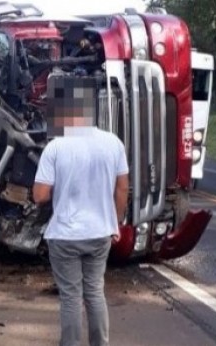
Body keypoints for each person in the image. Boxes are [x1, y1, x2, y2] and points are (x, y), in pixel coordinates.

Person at [32, 76, 130, 346]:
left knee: (71, 297)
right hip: (100, 233)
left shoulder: (55, 147)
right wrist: (116, 222)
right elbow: (122, 189)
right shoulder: (114, 144)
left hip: (64, 235)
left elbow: (40, 195)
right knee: (95, 292)